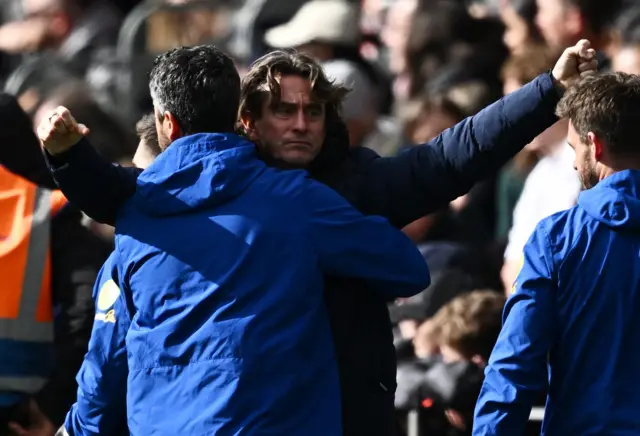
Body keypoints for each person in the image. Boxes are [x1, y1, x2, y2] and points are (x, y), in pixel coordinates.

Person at [40, 42, 597, 436]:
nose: (302, 123)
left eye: (314, 110)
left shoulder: (350, 185)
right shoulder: (188, 200)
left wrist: (545, 92)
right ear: (245, 121)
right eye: (284, 110)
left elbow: (454, 155)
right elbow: (122, 207)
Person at [41, 45, 430, 436]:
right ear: (237, 117)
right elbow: (406, 269)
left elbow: (106, 367)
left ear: (167, 124)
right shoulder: (297, 200)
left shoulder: (134, 222)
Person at [473, 72, 640, 435]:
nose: (575, 164)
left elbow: (514, 365)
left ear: (594, 146)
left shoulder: (557, 239)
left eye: (573, 149)